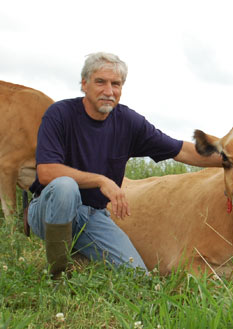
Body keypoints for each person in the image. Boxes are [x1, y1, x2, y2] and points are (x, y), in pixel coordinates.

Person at [25, 52, 222, 278]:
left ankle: (78, 252)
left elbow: (180, 150)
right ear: (84, 84)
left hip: (92, 216)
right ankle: (58, 274)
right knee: (65, 187)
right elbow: (47, 172)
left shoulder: (128, 122)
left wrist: (232, 159)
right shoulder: (60, 114)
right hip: (49, 208)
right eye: (101, 82)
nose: (109, 91)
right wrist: (101, 180)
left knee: (136, 276)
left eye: (115, 84)